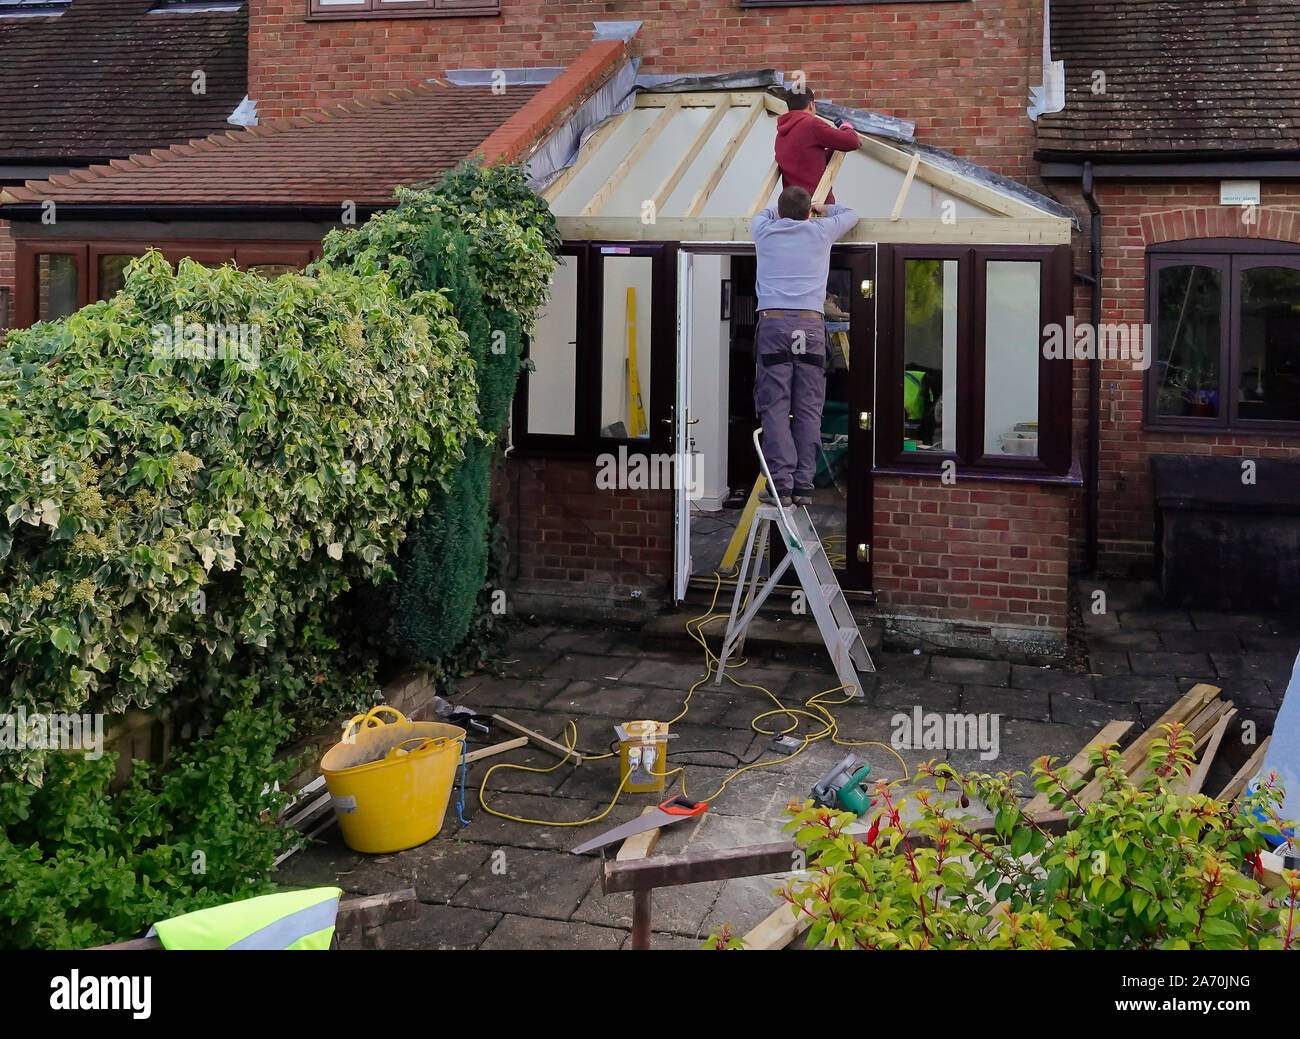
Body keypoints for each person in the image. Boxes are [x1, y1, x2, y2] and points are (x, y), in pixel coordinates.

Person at [750, 186, 859, 508]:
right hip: (811, 326)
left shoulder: (764, 230)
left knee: (776, 408)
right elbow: (851, 215)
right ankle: (803, 485)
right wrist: (822, 208)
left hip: (774, 324)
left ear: (781, 212)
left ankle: (780, 487)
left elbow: (764, 213)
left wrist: (787, 210)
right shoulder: (821, 230)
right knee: (810, 410)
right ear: (807, 212)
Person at [775, 87, 860, 205]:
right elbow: (852, 141)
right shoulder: (811, 124)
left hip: (793, 207)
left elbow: (809, 159)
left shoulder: (781, 133)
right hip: (817, 206)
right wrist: (846, 128)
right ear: (811, 105)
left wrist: (833, 146)